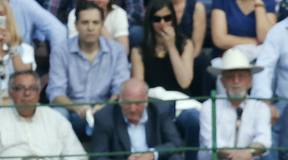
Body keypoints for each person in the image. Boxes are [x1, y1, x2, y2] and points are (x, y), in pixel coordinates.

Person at [88, 79, 193, 160]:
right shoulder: (104, 117)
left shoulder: (160, 110)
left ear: (146, 100)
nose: (133, 109)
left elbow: (176, 144)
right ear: (119, 100)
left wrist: (151, 155)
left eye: (138, 104)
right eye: (128, 103)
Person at [196, 47, 272, 160]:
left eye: (241, 76)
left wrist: (245, 156)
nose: (236, 81)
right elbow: (212, 143)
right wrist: (242, 157)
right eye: (231, 77)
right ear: (223, 81)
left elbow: (264, 140)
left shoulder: (260, 108)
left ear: (250, 81)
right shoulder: (209, 106)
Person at [0, 71, 88, 160]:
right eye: (20, 88)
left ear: (39, 92)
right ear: (10, 93)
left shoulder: (54, 118)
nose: (27, 93)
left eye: (32, 88)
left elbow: (79, 153)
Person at [49, 1, 130, 138]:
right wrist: (77, 108)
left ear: (102, 25)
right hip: (72, 111)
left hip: (105, 110)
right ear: (76, 25)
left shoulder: (116, 51)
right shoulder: (61, 51)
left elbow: (120, 91)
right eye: (85, 22)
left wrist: (103, 107)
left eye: (95, 23)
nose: (90, 28)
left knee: (120, 111)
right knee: (58, 113)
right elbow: (56, 93)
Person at [130, 1, 197, 94]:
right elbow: (139, 89)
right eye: (157, 19)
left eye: (167, 18)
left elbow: (185, 82)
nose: (162, 23)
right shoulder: (138, 52)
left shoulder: (186, 44)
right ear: (150, 21)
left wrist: (171, 47)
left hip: (180, 99)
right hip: (153, 99)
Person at [0, 0, 36, 99]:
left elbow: (26, 80)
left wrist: (12, 46)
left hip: (16, 105)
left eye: (0, 15)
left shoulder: (26, 49)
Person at [209, 0, 276, 52]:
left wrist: (258, 5)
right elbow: (220, 40)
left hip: (259, 59)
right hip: (226, 57)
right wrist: (256, 43)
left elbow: (266, 38)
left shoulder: (268, 1)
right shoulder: (222, 1)